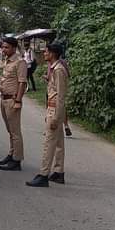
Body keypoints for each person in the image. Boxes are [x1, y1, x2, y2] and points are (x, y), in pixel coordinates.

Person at [27, 43, 69, 187]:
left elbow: (61, 96)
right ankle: (58, 171)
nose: (44, 53)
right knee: (58, 143)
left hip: (55, 109)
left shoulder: (58, 70)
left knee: (48, 143)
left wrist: (56, 118)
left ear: (52, 54)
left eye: (46, 51)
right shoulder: (54, 68)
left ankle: (43, 174)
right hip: (53, 108)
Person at [0, 36, 27, 171]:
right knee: (10, 130)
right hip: (4, 99)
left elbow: (22, 82)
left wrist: (18, 101)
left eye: (6, 47)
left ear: (14, 48)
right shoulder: (7, 61)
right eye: (3, 47)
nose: (4, 49)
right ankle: (11, 153)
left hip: (12, 100)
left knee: (15, 131)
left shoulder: (19, 62)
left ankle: (17, 160)